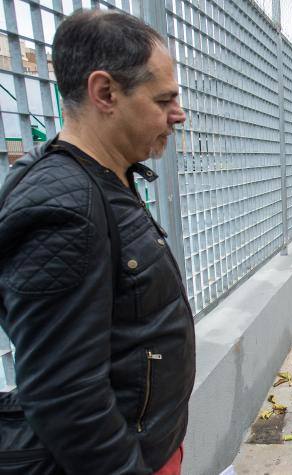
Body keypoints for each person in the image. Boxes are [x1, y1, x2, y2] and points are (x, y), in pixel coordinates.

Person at [0, 10, 193, 474]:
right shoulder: (66, 209)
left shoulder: (102, 179)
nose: (178, 114)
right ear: (105, 92)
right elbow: (66, 395)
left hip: (152, 447)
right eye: (163, 99)